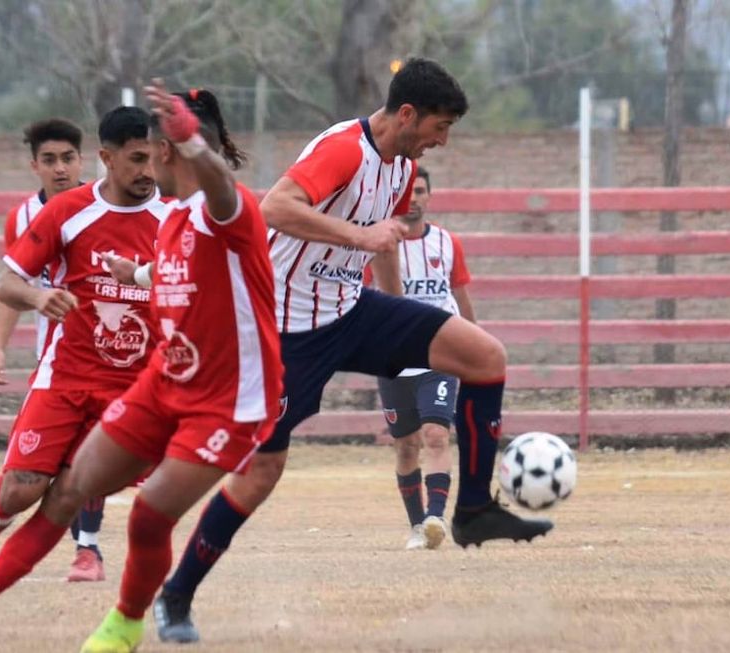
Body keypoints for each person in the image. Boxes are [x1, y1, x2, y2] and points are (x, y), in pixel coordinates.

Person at [156, 57, 554, 642]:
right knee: (261, 472)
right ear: (409, 114)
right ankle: (176, 595)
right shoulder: (345, 147)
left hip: (352, 310)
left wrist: (404, 328)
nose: (443, 141)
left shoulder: (402, 164)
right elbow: (275, 207)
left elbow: (385, 243)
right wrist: (359, 237)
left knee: (485, 357)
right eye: (440, 127)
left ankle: (471, 511)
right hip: (286, 330)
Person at [52, 82, 280, 653]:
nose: (151, 154)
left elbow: (224, 192)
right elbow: (180, 272)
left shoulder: (224, 203)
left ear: (169, 148)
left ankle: (146, 611)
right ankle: (145, 596)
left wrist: (195, 144)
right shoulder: (176, 215)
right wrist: (136, 277)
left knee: (156, 506)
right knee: (100, 485)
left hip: (232, 394)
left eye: (159, 143)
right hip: (179, 381)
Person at [0, 105, 171, 642]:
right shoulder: (67, 212)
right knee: (23, 489)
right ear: (107, 159)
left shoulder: (174, 220)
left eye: (153, 159)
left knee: (68, 499)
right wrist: (41, 295)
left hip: (132, 395)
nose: (146, 172)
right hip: (64, 379)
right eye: (135, 160)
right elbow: (7, 284)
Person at [0, 117, 109, 581]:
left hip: (107, 356)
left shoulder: (106, 204)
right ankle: (0, 518)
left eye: (69, 159)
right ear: (34, 165)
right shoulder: (21, 218)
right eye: (50, 160)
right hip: (54, 359)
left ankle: (88, 549)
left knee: (89, 458)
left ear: (85, 160)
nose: (60, 169)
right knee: (39, 466)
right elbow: (13, 284)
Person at [367, 166, 476, 550]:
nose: (414, 198)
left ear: (430, 197)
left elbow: (461, 300)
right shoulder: (376, 245)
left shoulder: (447, 244)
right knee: (406, 446)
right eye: (408, 192)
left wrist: (473, 346)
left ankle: (436, 517)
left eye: (421, 191)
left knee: (435, 434)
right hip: (394, 360)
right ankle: (418, 526)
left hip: (438, 356)